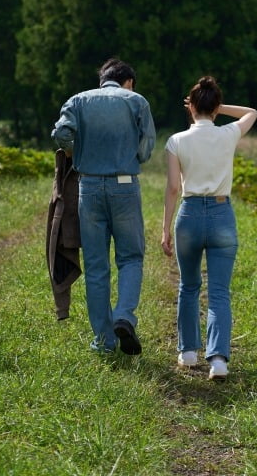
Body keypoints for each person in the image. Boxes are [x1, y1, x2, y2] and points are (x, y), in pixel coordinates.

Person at [52, 57, 156, 355]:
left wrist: (77, 151)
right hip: (125, 185)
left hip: (89, 186)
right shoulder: (136, 101)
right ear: (129, 81)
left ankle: (103, 341)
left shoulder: (78, 101)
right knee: (131, 258)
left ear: (102, 79)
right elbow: (147, 148)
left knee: (97, 266)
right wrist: (129, 154)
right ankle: (124, 316)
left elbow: (60, 135)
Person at [160, 76, 257, 381]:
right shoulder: (228, 133)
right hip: (220, 214)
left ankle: (188, 353)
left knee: (188, 286)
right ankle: (218, 361)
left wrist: (165, 229)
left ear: (190, 108)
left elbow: (174, 187)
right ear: (215, 107)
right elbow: (251, 113)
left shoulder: (176, 141)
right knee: (218, 292)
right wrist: (217, 107)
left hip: (188, 216)